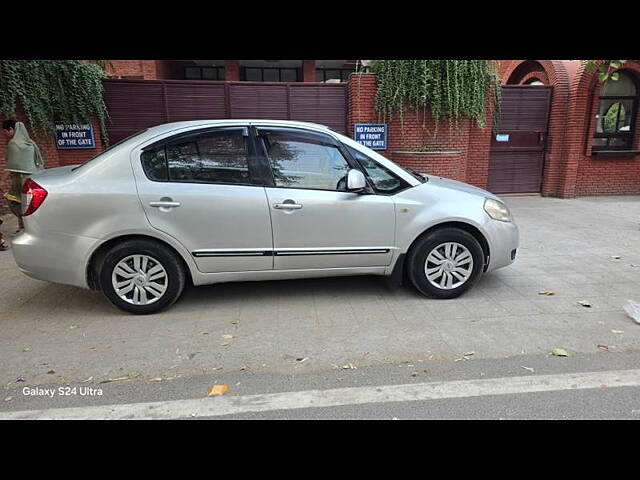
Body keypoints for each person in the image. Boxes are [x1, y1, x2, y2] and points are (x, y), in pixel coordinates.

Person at [2, 119, 44, 239]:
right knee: (28, 204)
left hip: (21, 179)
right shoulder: (30, 143)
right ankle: (27, 227)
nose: (5, 134)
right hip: (34, 178)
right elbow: (38, 161)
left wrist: (2, 181)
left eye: (5, 131)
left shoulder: (14, 143)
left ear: (11, 129)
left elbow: (11, 166)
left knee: (15, 202)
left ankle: (26, 227)